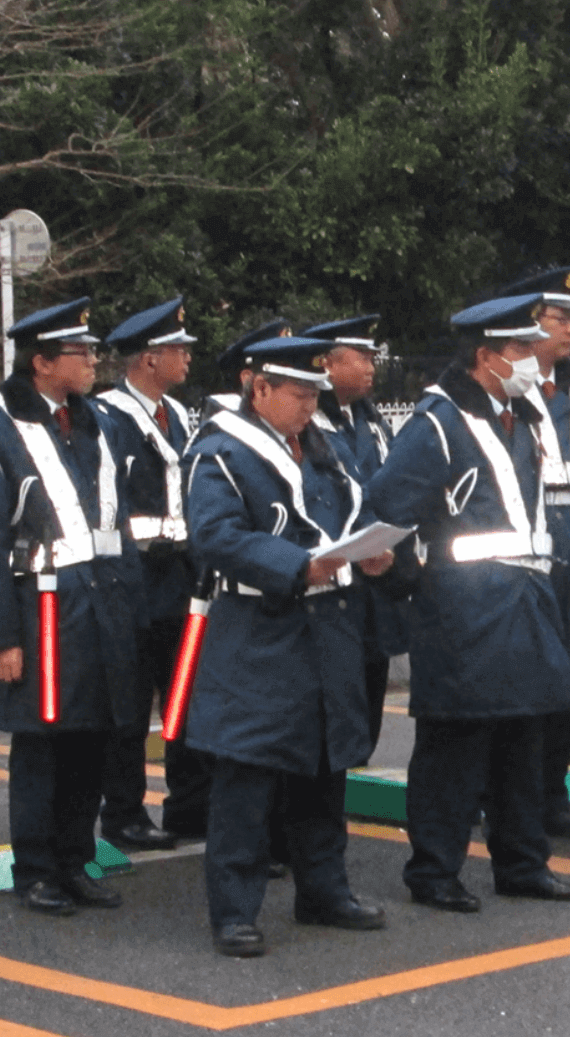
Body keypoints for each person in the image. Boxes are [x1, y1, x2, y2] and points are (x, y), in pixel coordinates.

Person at [365, 293, 570, 913]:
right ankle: (434, 871)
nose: (531, 356)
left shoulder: (521, 415)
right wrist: (411, 578)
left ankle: (523, 863)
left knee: (525, 738)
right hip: (463, 610)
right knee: (454, 747)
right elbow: (382, 513)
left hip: (526, 598)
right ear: (485, 357)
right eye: (519, 348)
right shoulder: (437, 423)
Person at [182, 334, 394, 957]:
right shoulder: (220, 452)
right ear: (261, 389)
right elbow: (216, 535)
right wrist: (297, 563)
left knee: (324, 770)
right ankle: (235, 910)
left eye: (315, 395)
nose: (308, 407)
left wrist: (372, 553)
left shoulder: (322, 448)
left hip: (326, 624)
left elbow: (347, 519)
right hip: (259, 626)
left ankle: (324, 890)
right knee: (248, 775)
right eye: (299, 394)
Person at [0, 297, 147, 916]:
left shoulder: (98, 423)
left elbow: (117, 526)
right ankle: (35, 869)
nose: (92, 362)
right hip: (40, 615)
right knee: (40, 748)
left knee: (91, 740)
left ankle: (74, 859)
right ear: (41, 363)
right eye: (79, 353)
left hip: (101, 606)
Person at [495, 267, 570, 839]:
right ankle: (511, 794)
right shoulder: (510, 388)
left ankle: (553, 794)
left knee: (567, 670)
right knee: (523, 672)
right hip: (532, 536)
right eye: (559, 319)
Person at [92, 297, 199, 851]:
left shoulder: (177, 414)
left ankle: (186, 805)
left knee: (181, 695)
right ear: (149, 359)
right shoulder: (108, 416)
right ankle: (124, 811)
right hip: (133, 575)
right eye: (177, 349)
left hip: (178, 575)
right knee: (129, 706)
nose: (187, 358)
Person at [304, 314, 407, 752]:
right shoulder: (310, 422)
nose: (371, 366)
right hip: (336, 578)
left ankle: (359, 764)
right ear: (327, 364)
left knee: (372, 684)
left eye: (372, 357)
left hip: (377, 577)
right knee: (336, 700)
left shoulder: (369, 418)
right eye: (360, 357)